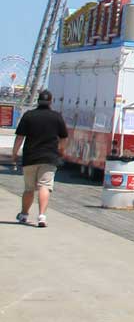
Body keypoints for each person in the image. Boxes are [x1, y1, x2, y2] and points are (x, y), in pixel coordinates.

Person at [15, 89, 68, 228]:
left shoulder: (29, 115)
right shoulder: (57, 117)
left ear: (38, 101)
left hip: (30, 157)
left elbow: (20, 137)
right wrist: (61, 151)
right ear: (50, 102)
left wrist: (15, 153)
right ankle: (41, 216)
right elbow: (63, 138)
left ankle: (24, 214)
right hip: (49, 157)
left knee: (29, 189)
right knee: (45, 186)